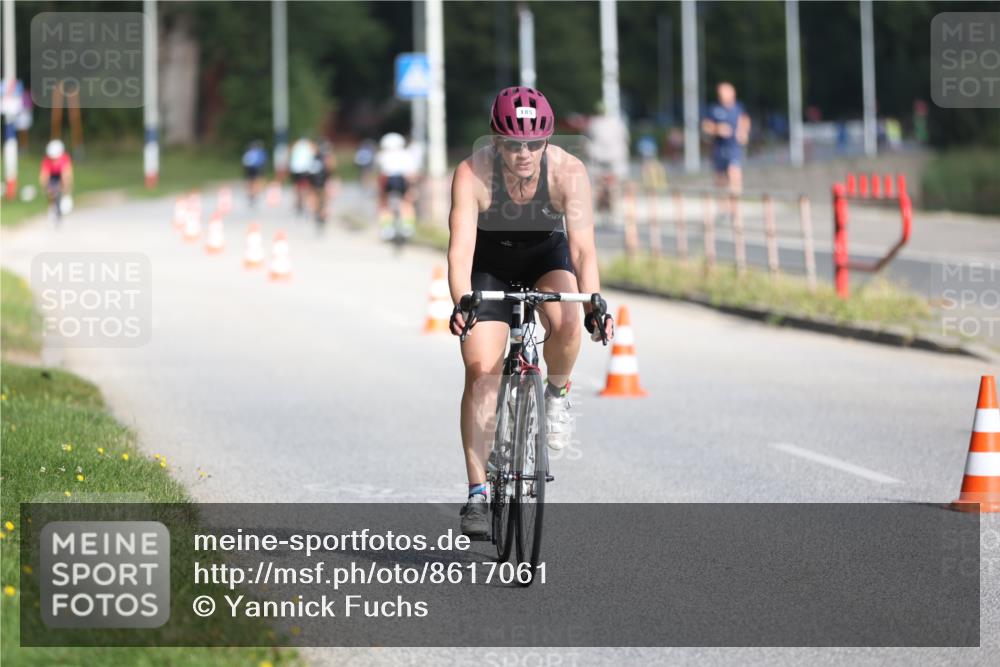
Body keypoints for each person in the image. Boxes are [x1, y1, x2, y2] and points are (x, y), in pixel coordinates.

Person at [446, 87, 614, 538]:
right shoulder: (471, 173)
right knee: (481, 370)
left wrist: (595, 300)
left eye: (535, 144)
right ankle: (478, 494)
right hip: (490, 266)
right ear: (496, 141)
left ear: (548, 140)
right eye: (514, 144)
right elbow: (460, 253)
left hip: (546, 258)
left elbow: (582, 248)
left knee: (568, 320)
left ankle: (557, 395)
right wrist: (462, 300)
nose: (525, 153)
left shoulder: (568, 172)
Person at [701, 82, 751, 193]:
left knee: (734, 172)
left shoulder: (738, 107)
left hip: (734, 146)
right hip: (719, 147)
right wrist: (717, 129)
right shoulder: (714, 109)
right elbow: (705, 126)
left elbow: (745, 120)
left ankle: (735, 205)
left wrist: (743, 132)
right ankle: (723, 205)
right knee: (720, 178)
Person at [375, 132, 416, 239]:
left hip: (387, 179)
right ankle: (408, 226)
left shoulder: (381, 155)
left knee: (383, 204)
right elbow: (411, 174)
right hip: (402, 179)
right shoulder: (407, 154)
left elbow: (380, 173)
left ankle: (386, 228)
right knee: (407, 203)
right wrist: (412, 188)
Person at [39, 139, 73, 223]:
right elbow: (44, 175)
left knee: (64, 182)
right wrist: (45, 187)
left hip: (61, 175)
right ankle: (51, 208)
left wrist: (66, 188)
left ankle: (63, 200)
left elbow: (67, 174)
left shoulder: (65, 158)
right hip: (51, 176)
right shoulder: (46, 160)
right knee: (51, 191)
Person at [289, 136, 317, 214]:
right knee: (306, 187)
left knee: (297, 186)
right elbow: (315, 153)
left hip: (295, 168)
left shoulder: (295, 144)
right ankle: (304, 202)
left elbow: (290, 153)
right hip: (305, 169)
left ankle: (298, 202)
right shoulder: (310, 145)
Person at [242, 140, 268, 204]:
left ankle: (250, 192)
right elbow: (263, 161)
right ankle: (253, 193)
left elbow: (245, 161)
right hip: (256, 168)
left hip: (249, 168)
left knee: (250, 180)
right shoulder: (260, 152)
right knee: (256, 180)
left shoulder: (248, 152)